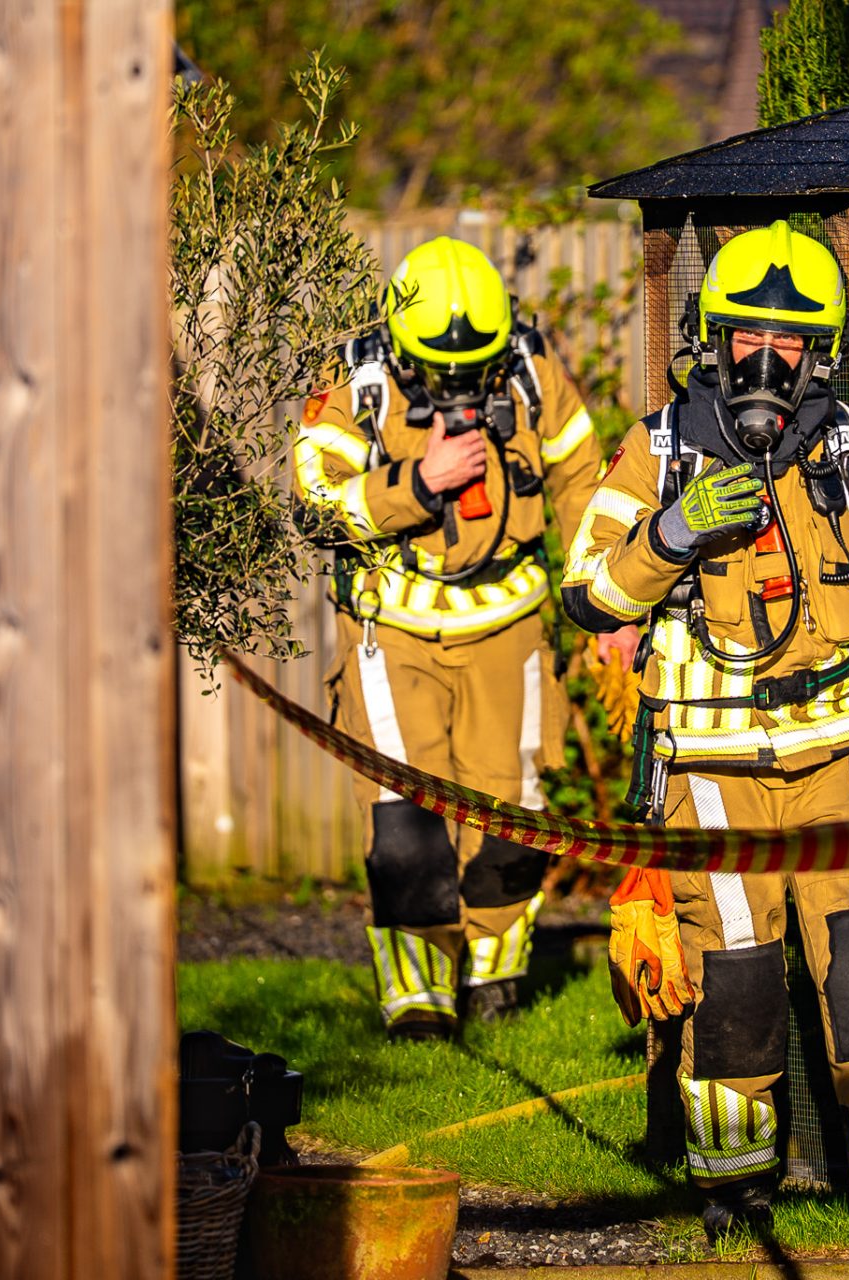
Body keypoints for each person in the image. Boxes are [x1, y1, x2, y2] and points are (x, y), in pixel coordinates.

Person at [563, 222, 849, 1243]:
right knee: (733, 976)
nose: (768, 358)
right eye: (749, 335)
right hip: (708, 762)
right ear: (710, 335)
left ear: (822, 350)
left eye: (793, 341)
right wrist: (670, 535)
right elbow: (586, 591)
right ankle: (734, 1182)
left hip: (840, 751)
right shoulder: (655, 451)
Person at [295, 237, 637, 1040]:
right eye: (439, 372)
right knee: (403, 826)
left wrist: (607, 603)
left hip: (509, 624)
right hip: (395, 627)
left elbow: (585, 486)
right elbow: (314, 503)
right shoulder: (358, 384)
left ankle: (494, 977)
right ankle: (418, 1004)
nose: (458, 386)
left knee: (512, 819)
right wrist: (418, 485)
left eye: (474, 368)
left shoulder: (530, 368)